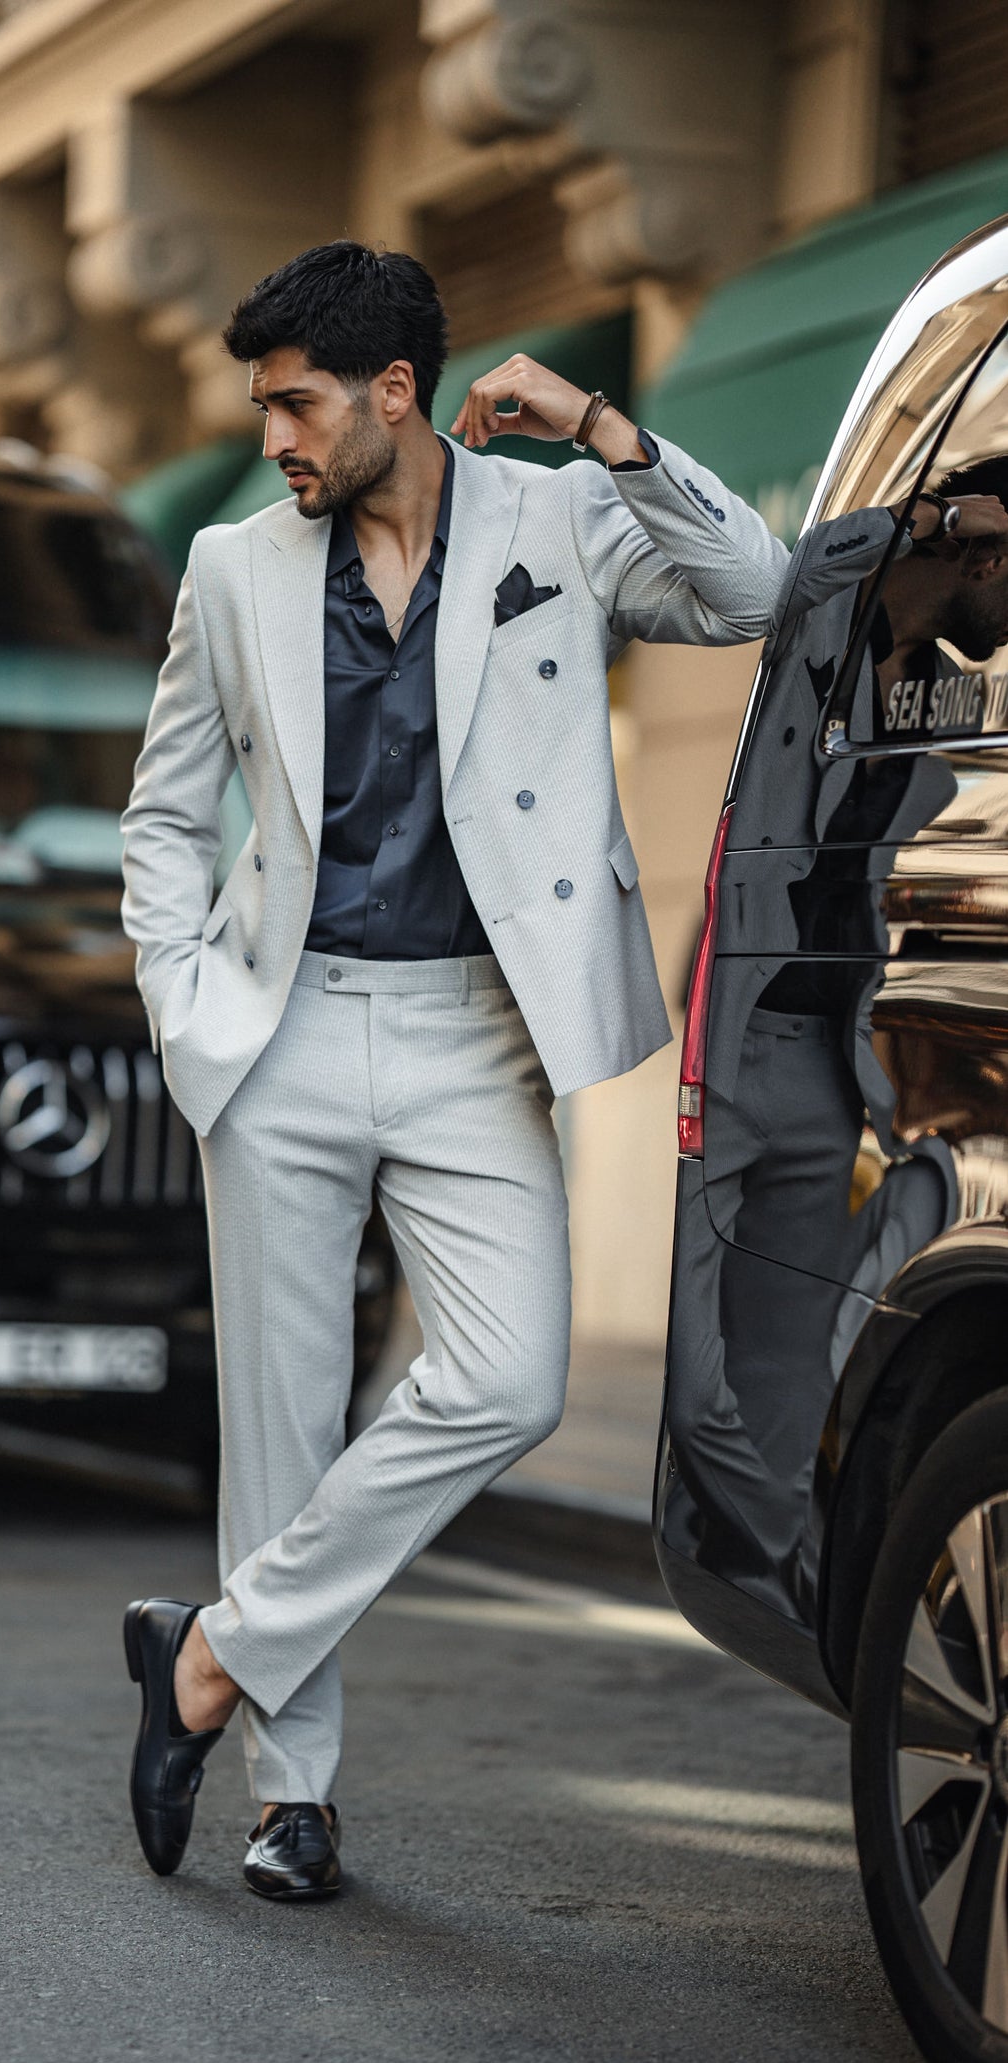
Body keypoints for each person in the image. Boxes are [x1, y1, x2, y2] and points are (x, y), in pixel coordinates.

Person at [119, 239, 786, 1900]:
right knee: (279, 1427)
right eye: (263, 407)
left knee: (507, 1383)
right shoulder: (231, 565)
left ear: (393, 392)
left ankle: (206, 1655)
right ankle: (290, 1801)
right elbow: (163, 809)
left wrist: (604, 428)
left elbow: (755, 593)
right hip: (277, 1027)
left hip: (478, 1032)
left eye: (296, 404)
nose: (273, 437)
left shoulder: (555, 522)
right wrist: (181, 997)